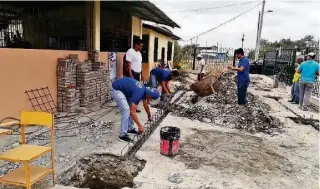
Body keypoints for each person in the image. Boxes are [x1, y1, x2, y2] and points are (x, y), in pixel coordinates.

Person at [111, 77, 160, 142]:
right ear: (149, 95)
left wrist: (149, 115)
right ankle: (122, 136)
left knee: (130, 108)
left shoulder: (145, 91)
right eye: (151, 98)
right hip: (117, 89)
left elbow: (146, 105)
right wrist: (139, 125)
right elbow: (132, 112)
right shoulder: (139, 93)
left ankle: (130, 129)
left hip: (125, 90)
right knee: (126, 110)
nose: (150, 100)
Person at [123, 38, 143, 112]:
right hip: (132, 74)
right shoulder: (130, 51)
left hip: (138, 74)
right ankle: (129, 107)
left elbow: (140, 64)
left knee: (136, 91)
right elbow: (128, 64)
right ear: (136, 45)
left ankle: (134, 107)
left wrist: (142, 74)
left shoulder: (139, 53)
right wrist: (131, 76)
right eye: (140, 46)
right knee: (130, 91)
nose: (141, 47)